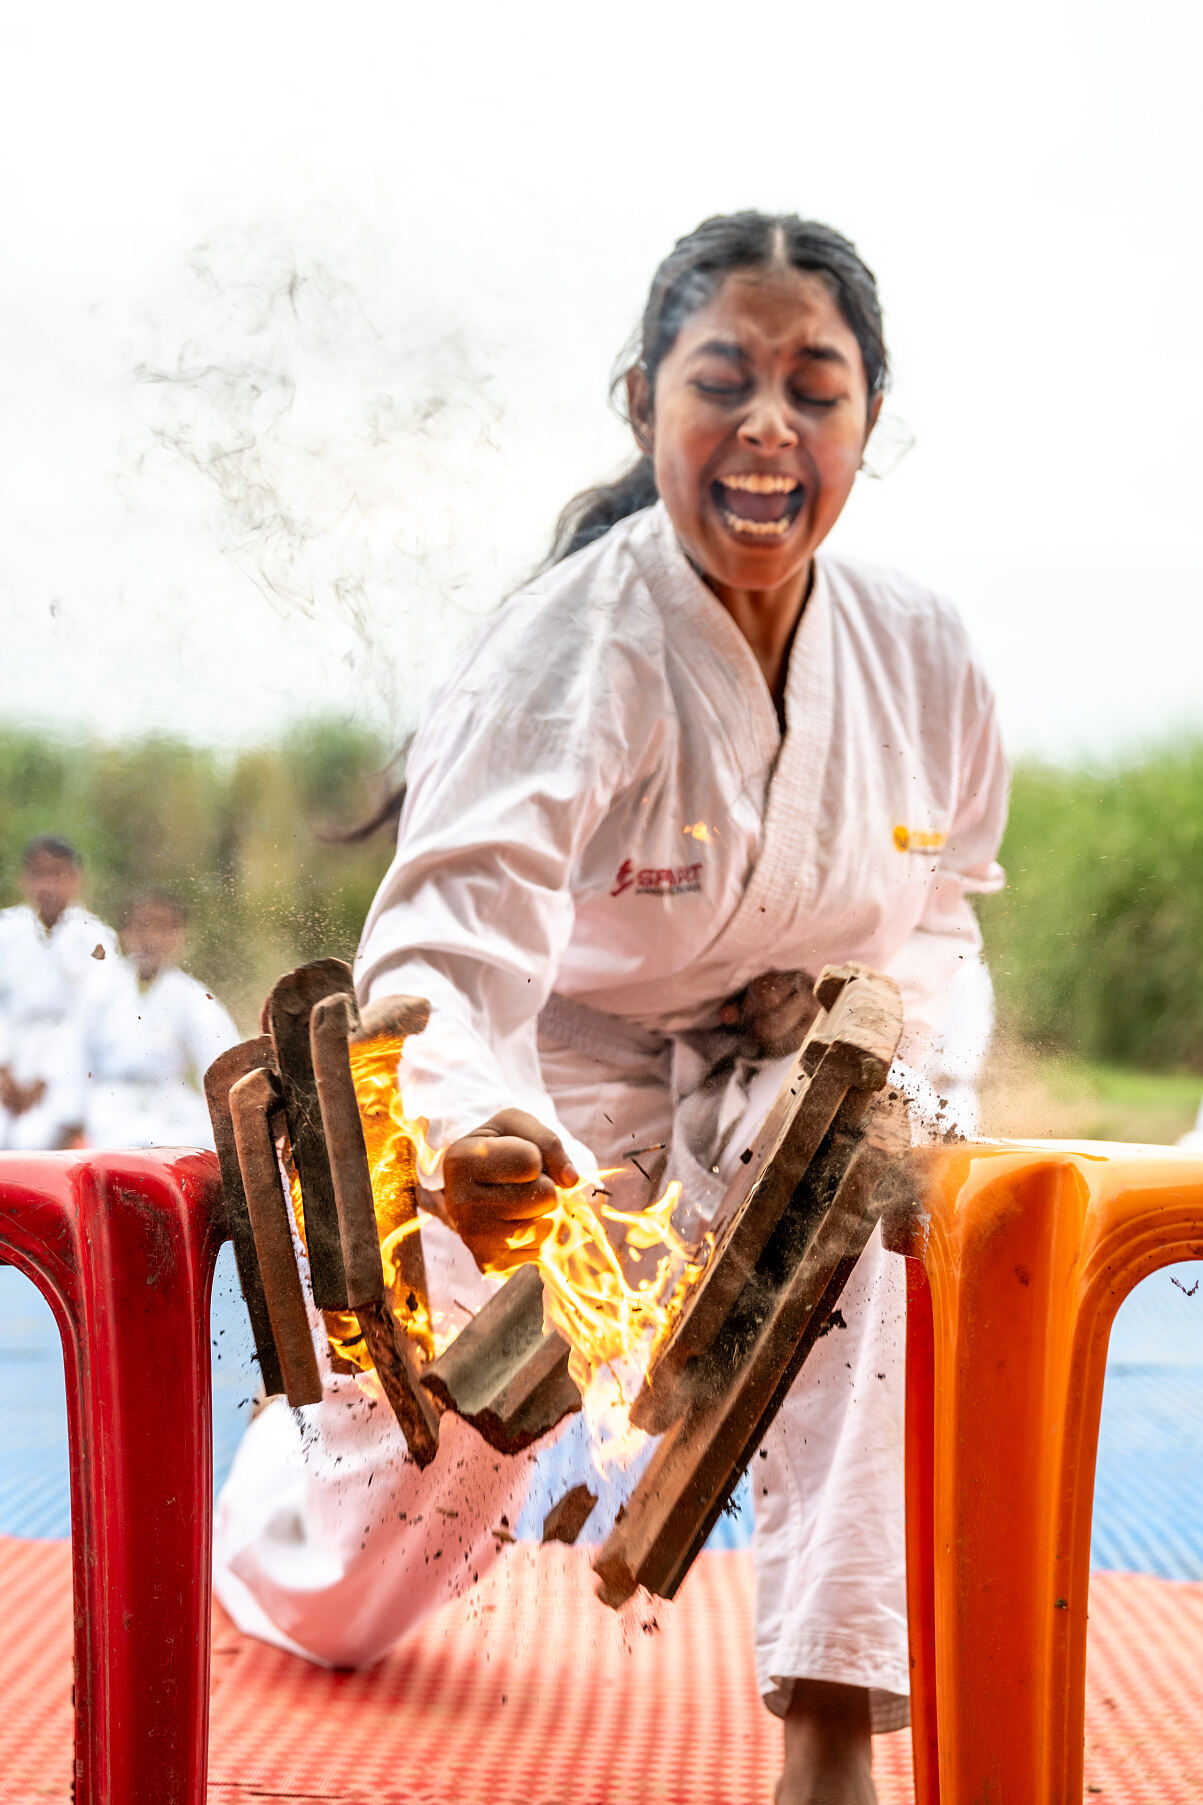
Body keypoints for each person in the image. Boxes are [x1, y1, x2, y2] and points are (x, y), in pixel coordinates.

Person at [215, 212, 1007, 1805]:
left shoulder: (921, 654)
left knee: (858, 1194)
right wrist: (472, 1128)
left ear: (867, 421)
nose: (769, 423)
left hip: (786, 1070)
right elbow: (444, 942)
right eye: (724, 377)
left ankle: (831, 1730)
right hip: (551, 1087)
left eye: (815, 385)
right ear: (642, 399)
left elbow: (941, 915)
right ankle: (283, 1532)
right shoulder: (569, 646)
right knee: (394, 1520)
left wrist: (883, 1038)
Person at [80, 890, 239, 1150]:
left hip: (169, 1106)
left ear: (181, 936)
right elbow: (73, 1057)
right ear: (124, 932)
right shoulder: (98, 989)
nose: (151, 938)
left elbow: (221, 1063)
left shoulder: (193, 997)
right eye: (142, 926)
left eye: (164, 928)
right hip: (109, 1106)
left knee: (198, 1144)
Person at [0, 836, 118, 1150]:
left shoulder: (95, 937)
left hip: (66, 1066)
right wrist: (3, 1069)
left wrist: (46, 1077)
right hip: (10, 1055)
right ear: (24, 879)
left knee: (34, 1142)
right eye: (39, 874)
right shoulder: (6, 929)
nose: (48, 885)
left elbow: (87, 1019)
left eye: (58, 875)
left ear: (76, 878)